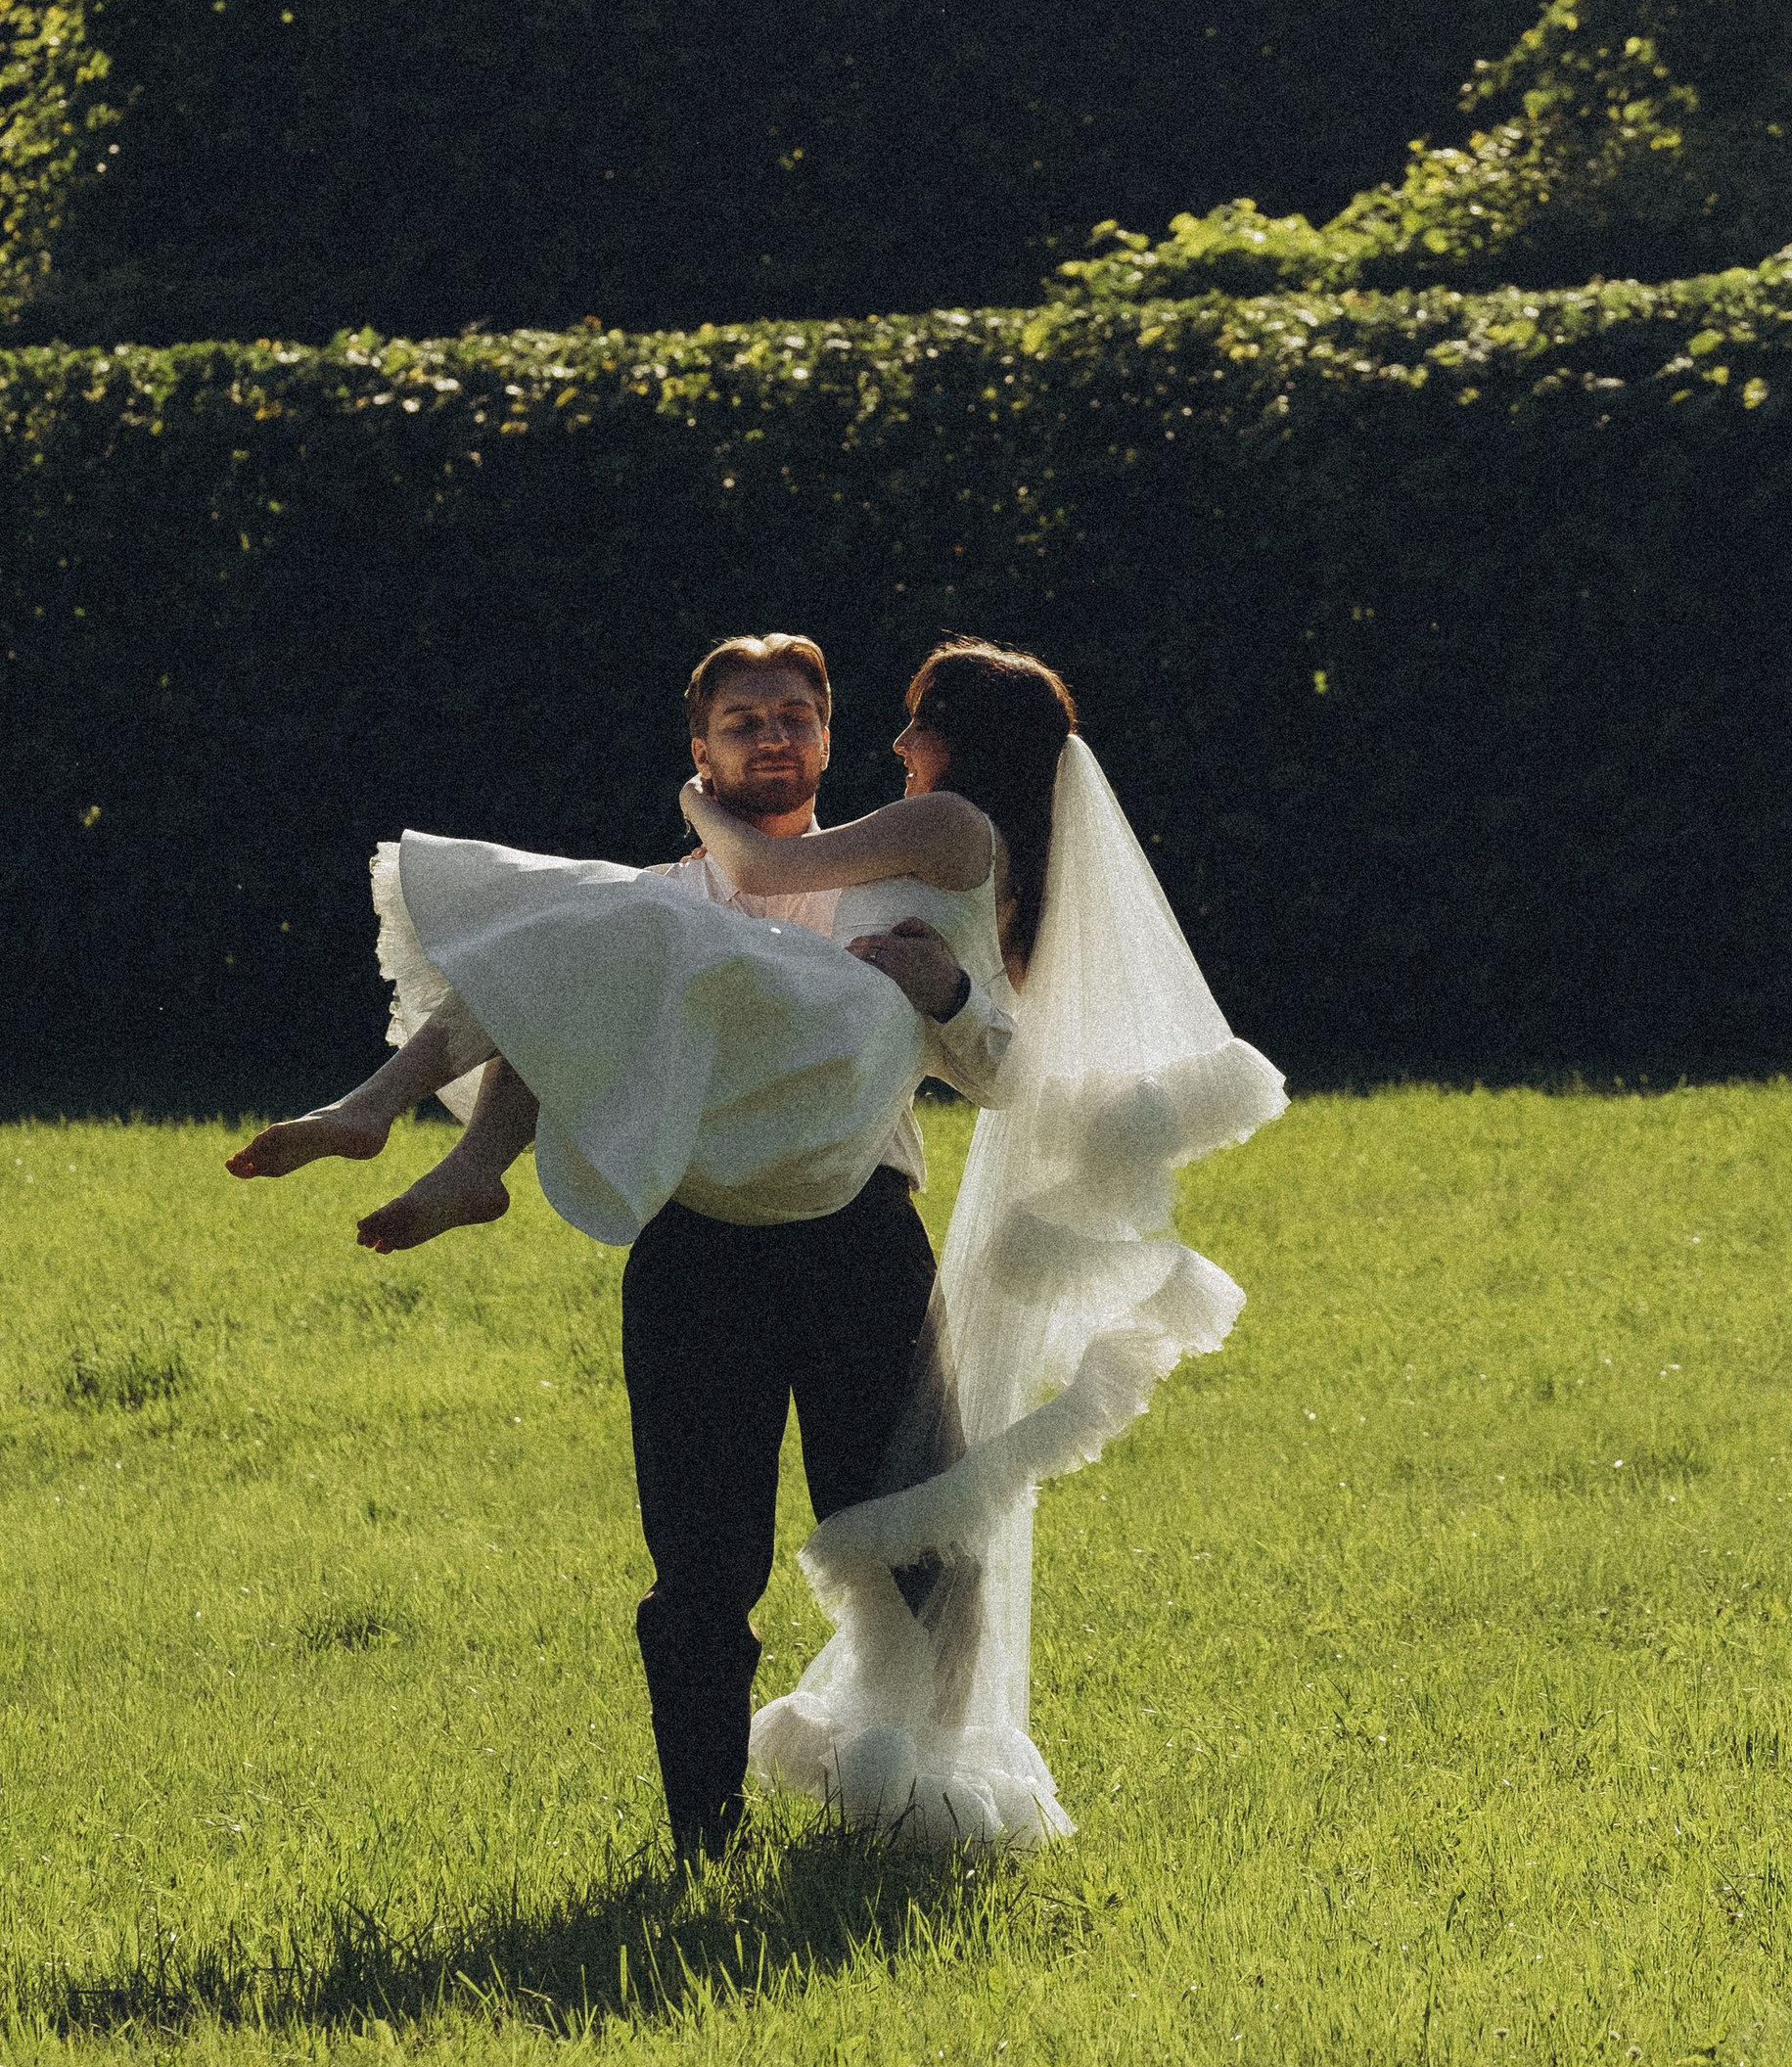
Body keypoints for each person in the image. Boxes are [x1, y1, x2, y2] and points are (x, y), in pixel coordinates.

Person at [228, 633, 1282, 1859]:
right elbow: (546, 999)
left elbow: (1001, 1075)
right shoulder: (667, 902)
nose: (774, 737)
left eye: (796, 716)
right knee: (698, 1571)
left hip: (859, 1247)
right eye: (744, 721)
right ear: (704, 749)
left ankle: (924, 1794)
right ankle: (701, 1846)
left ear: (826, 741)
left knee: (914, 1536)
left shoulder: (909, 876)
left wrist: (944, 992)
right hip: (700, 1251)